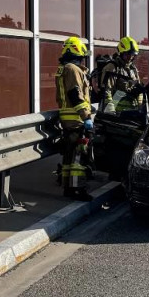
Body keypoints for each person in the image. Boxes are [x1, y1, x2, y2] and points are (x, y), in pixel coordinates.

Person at [55, 36, 94, 201]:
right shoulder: (73, 69)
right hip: (76, 119)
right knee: (79, 157)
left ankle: (68, 188)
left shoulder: (65, 68)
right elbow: (75, 94)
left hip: (69, 118)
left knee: (70, 157)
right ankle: (78, 189)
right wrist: (86, 117)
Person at [98, 36, 145, 113]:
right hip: (117, 114)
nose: (130, 57)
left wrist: (140, 107)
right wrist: (110, 111)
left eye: (132, 55)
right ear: (121, 53)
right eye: (127, 54)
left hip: (131, 112)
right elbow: (107, 91)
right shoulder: (112, 67)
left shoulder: (133, 69)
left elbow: (138, 88)